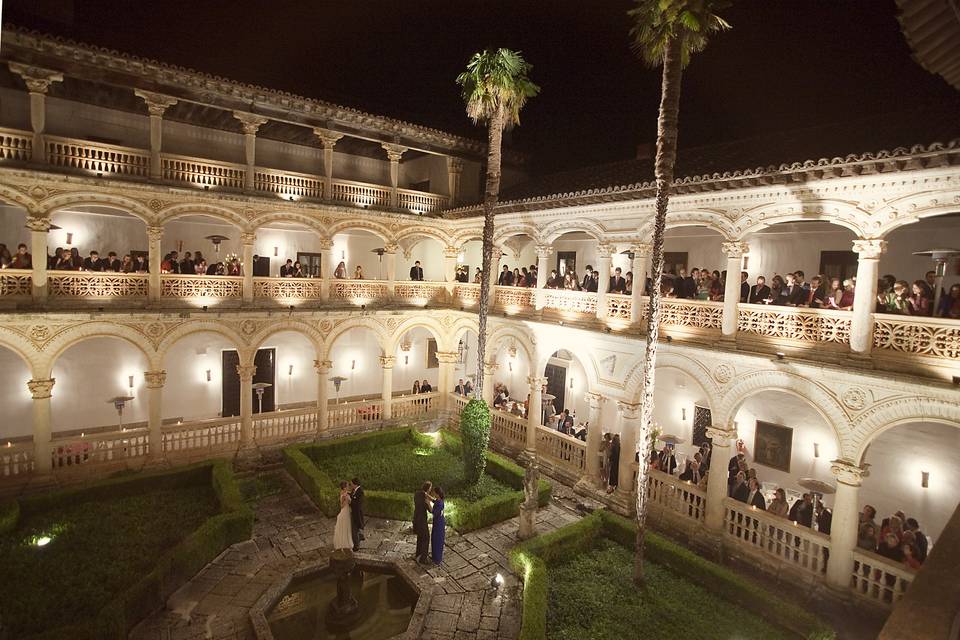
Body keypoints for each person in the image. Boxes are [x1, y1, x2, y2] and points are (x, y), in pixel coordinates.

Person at [413, 481, 432, 563]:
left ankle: (418, 554)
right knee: (426, 537)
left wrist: (429, 497)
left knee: (420, 537)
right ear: (428, 489)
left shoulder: (417, 494)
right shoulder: (425, 499)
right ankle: (423, 558)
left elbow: (424, 494)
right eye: (430, 488)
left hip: (416, 519)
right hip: (422, 520)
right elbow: (431, 510)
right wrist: (430, 502)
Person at [333, 481, 354, 551]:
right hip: (344, 512)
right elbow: (341, 506)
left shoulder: (346, 492)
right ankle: (344, 543)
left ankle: (347, 541)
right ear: (344, 487)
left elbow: (350, 500)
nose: (348, 487)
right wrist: (346, 500)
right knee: (345, 527)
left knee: (347, 527)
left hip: (348, 512)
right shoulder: (343, 494)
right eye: (347, 486)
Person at [430, 486, 446, 564]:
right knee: (435, 539)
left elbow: (433, 512)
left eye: (434, 492)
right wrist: (428, 496)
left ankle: (436, 559)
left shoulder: (439, 504)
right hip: (439, 522)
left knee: (436, 540)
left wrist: (427, 503)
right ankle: (435, 557)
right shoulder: (440, 500)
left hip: (438, 524)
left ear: (437, 494)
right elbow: (434, 501)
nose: (432, 493)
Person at [349, 477, 364, 552]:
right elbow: (352, 496)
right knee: (356, 528)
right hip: (353, 512)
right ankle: (360, 536)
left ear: (355, 484)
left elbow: (358, 504)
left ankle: (356, 546)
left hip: (357, 513)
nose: (350, 485)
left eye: (351, 484)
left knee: (354, 529)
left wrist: (350, 501)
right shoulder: (354, 490)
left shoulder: (360, 492)